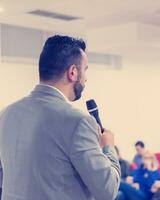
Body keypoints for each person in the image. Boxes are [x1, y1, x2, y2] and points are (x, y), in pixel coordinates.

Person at [0, 35, 120, 200]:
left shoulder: (5, 114)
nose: (86, 78)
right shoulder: (78, 122)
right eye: (85, 70)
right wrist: (108, 148)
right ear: (72, 72)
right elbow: (108, 190)